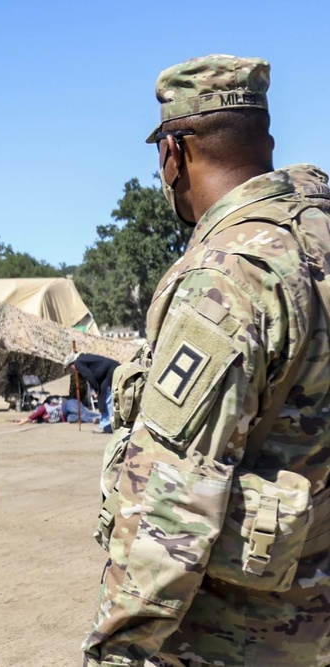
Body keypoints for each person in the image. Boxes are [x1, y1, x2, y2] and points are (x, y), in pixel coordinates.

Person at [83, 55, 330, 667]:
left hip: (246, 636)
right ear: (265, 138)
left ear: (174, 152)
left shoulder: (227, 275)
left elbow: (172, 496)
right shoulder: (317, 237)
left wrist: (117, 651)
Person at [64, 352, 119, 434]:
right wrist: (96, 389)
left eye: (69, 368)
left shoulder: (78, 363)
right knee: (103, 397)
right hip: (109, 372)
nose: (71, 371)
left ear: (72, 364)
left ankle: (107, 424)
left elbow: (88, 375)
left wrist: (96, 389)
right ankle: (105, 423)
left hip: (111, 371)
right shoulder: (83, 359)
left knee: (106, 397)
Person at [13, 396, 98, 425]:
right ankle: (95, 419)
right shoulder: (43, 420)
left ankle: (102, 416)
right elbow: (34, 419)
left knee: (83, 412)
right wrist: (27, 420)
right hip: (66, 417)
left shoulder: (44, 407)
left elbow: (33, 416)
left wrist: (25, 420)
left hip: (66, 406)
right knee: (73, 419)